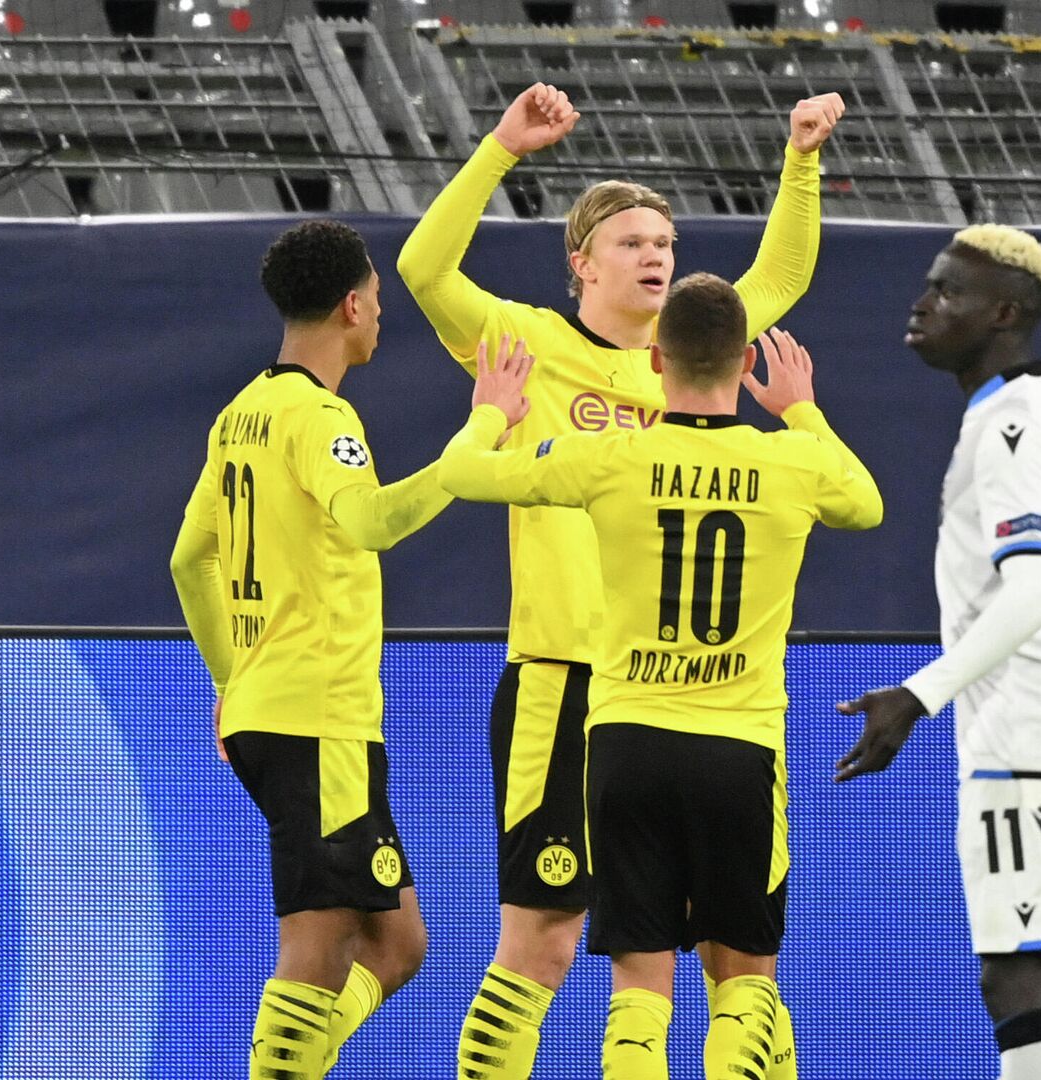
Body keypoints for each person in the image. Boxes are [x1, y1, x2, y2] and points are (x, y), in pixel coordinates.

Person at [397, 82, 843, 1079]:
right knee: (544, 945)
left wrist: (801, 160)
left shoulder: (694, 353)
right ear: (580, 264)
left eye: (668, 243)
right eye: (635, 241)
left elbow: (782, 273)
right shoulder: (529, 345)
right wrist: (502, 149)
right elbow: (423, 269)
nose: (657, 256)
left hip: (692, 701)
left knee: (741, 957)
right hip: (567, 681)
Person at [437, 275, 881, 1080]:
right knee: (745, 979)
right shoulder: (794, 464)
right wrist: (801, 408)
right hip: (738, 748)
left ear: (657, 360)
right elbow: (869, 503)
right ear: (745, 358)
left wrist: (492, 414)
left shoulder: (611, 458)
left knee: (639, 984)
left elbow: (465, 474)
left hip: (626, 744)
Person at [836, 225, 1041, 1080]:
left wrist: (916, 697)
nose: (923, 303)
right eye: (927, 284)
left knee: (1016, 971)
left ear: (1004, 312)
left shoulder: (1012, 425)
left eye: (947, 292)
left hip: (1034, 722)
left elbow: (1032, 590)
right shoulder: (1038, 402)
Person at [168, 220, 454, 1079]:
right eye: (377, 299)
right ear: (351, 304)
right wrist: (473, 448)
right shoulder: (321, 417)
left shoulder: (239, 414)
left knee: (398, 942)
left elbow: (190, 560)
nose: (380, 316)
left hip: (274, 708)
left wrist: (231, 680)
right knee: (321, 939)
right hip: (317, 715)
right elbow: (372, 521)